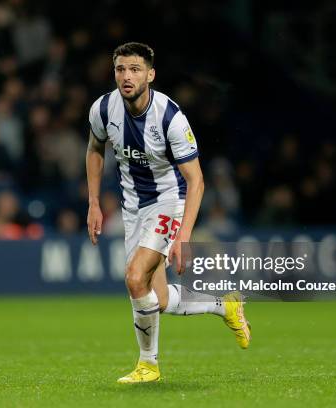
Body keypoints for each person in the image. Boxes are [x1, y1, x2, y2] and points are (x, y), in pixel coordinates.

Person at [85, 42, 251, 384]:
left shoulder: (170, 117)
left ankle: (149, 364)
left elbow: (197, 181)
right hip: (133, 209)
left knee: (134, 278)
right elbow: (94, 148)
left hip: (168, 201)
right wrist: (93, 202)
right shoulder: (103, 109)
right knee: (157, 299)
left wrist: (183, 236)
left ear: (150, 74)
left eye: (134, 69)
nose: (126, 76)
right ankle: (226, 306)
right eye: (120, 69)